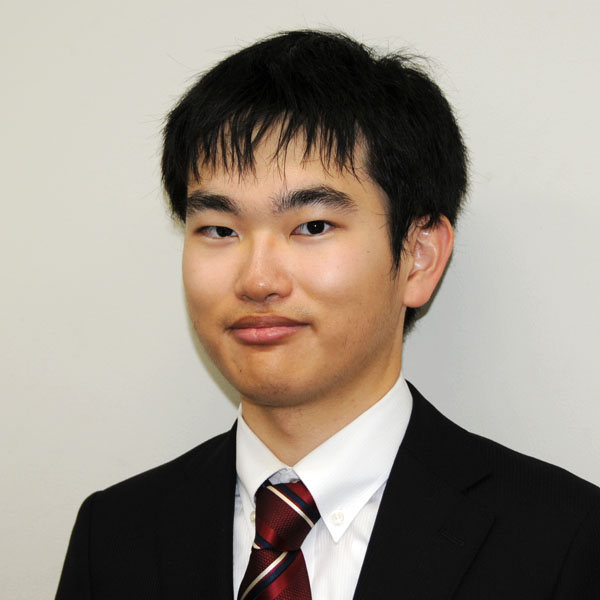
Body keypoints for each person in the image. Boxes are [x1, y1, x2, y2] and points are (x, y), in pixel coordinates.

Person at [56, 30, 600, 599]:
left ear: (419, 256)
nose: (257, 280)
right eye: (219, 229)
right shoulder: (113, 533)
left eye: (312, 226)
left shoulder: (563, 539)